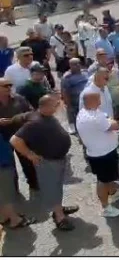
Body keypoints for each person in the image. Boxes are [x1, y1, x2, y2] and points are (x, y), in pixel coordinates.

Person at [10, 95, 78, 231]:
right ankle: (59, 217)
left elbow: (21, 117)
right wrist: (30, 154)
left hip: (57, 159)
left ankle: (58, 207)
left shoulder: (44, 116)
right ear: (45, 107)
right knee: (51, 188)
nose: (58, 105)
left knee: (56, 186)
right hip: (48, 162)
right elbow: (15, 140)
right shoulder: (35, 122)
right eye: (55, 104)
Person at [75, 91, 119, 218]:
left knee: (109, 176)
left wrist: (109, 120)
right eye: (98, 100)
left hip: (102, 151)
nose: (100, 102)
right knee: (103, 180)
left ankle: (113, 192)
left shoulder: (85, 112)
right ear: (91, 102)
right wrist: (112, 121)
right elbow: (115, 125)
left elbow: (108, 121)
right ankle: (105, 207)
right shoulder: (95, 117)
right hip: (102, 154)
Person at [60, 58, 88, 134]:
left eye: (78, 63)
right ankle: (73, 128)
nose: (77, 65)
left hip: (86, 99)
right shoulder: (67, 77)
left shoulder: (85, 73)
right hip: (75, 100)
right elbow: (65, 92)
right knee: (74, 116)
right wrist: (69, 105)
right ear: (70, 66)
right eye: (74, 64)